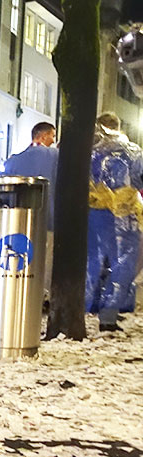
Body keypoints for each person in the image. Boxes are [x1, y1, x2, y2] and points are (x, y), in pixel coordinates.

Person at [86, 113, 143, 332]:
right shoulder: (132, 151)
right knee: (123, 263)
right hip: (123, 212)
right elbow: (139, 178)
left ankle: (86, 308)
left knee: (94, 260)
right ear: (117, 127)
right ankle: (108, 314)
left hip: (93, 211)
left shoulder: (89, 151)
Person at [4, 122, 60, 295]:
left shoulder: (13, 160)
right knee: (46, 260)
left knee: (22, 257)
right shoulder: (55, 156)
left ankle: (20, 292)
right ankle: (42, 295)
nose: (53, 140)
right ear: (43, 136)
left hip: (18, 220)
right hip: (48, 218)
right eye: (52, 135)